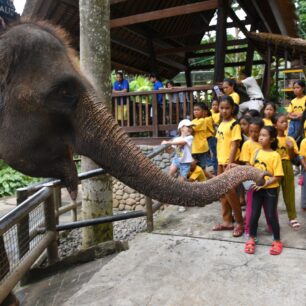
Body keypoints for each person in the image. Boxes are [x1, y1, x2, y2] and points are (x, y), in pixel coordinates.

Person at [245, 126, 284, 255]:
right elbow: (252, 169)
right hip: (257, 189)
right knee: (254, 214)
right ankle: (251, 237)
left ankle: (277, 240)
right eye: (260, 135)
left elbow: (278, 176)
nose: (260, 137)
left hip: (270, 190)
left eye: (264, 135)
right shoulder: (256, 152)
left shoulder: (275, 155)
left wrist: (266, 183)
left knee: (272, 215)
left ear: (272, 139)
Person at [213, 95, 244, 237]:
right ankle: (227, 221)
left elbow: (234, 145)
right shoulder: (221, 123)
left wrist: (230, 163)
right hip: (220, 162)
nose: (224, 111)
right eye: (221, 108)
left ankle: (239, 223)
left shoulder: (234, 124)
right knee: (222, 194)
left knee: (231, 194)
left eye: (227, 108)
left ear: (232, 109)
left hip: (230, 163)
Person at [274, 114, 300, 229]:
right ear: (275, 125)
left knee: (289, 191)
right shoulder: (272, 139)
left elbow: (292, 157)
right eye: (282, 122)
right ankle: (272, 216)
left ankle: (292, 217)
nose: (285, 124)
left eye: (286, 122)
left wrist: (290, 148)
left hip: (287, 165)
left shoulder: (290, 139)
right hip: (275, 166)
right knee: (273, 192)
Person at [162, 119, 194, 212]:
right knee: (169, 175)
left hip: (185, 163)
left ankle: (181, 203)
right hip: (177, 159)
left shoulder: (190, 137)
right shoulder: (175, 139)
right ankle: (166, 194)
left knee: (181, 183)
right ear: (181, 128)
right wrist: (165, 148)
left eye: (191, 127)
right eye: (188, 127)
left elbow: (182, 143)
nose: (190, 129)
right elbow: (171, 151)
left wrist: (168, 142)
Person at [191, 103, 209, 170]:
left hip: (201, 148)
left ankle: (202, 179)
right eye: (194, 110)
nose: (195, 111)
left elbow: (190, 129)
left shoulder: (202, 120)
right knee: (194, 168)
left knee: (201, 167)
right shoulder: (194, 121)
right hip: (194, 148)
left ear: (203, 112)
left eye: (198, 110)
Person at [299, 137, 306, 211]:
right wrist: (304, 166)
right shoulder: (304, 141)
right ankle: (304, 205)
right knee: (305, 187)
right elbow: (301, 156)